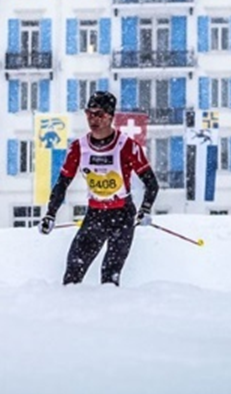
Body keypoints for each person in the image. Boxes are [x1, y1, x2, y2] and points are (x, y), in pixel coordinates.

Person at [39, 90, 159, 285]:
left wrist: (145, 209)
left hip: (122, 216)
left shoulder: (127, 146)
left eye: (99, 114)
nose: (93, 119)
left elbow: (151, 183)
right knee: (72, 276)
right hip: (95, 214)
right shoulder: (79, 147)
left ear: (110, 117)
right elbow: (62, 183)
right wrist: (50, 214)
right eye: (89, 114)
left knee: (109, 278)